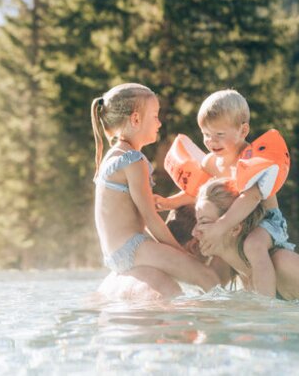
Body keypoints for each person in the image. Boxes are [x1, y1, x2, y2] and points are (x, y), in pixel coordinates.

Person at [159, 89, 292, 298]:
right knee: (216, 257)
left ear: (243, 130)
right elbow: (198, 191)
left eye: (219, 135)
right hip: (233, 224)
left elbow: (252, 198)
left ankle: (267, 303)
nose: (211, 142)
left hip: (265, 222)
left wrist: (221, 226)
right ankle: (214, 300)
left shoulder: (249, 160)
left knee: (253, 246)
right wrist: (168, 203)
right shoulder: (210, 162)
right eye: (206, 135)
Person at [91, 83, 219, 297]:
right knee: (207, 277)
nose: (159, 123)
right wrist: (180, 254)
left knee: (189, 273)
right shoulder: (133, 159)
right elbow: (150, 218)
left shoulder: (112, 158)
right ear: (136, 119)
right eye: (155, 116)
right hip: (132, 248)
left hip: (115, 253)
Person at [193, 178, 299, 302]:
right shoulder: (234, 272)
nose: (194, 232)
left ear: (234, 228)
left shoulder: (284, 264)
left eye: (204, 222)